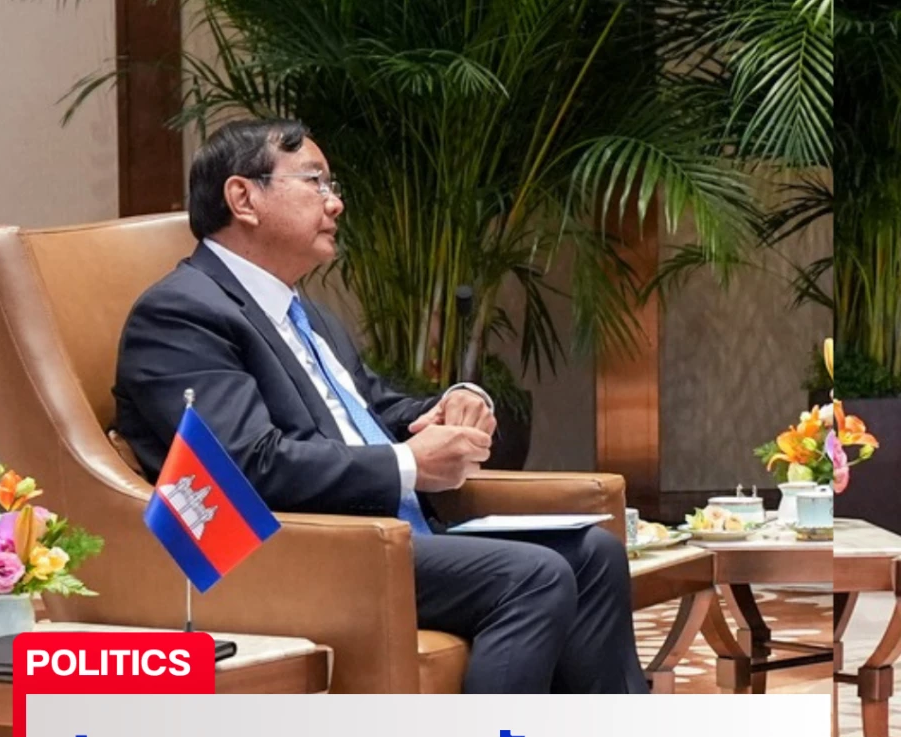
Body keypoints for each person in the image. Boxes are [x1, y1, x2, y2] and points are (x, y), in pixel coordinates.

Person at [113, 119, 645, 696]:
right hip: (302, 553)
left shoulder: (305, 313)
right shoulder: (181, 314)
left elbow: (374, 411)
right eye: (315, 182)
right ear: (244, 198)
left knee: (595, 554)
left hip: (384, 538)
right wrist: (410, 464)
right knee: (534, 576)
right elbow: (246, 465)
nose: (335, 203)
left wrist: (452, 406)